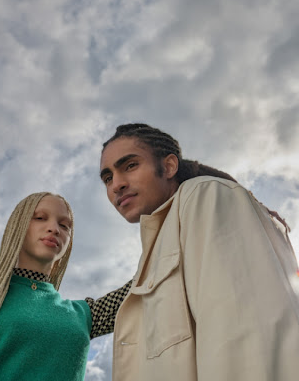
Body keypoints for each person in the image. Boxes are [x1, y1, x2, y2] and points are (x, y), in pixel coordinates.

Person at [100, 123, 299, 381]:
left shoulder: (203, 196)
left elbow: (245, 335)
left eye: (130, 166)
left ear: (169, 166)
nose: (117, 184)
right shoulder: (159, 247)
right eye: (107, 178)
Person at [0, 192, 131, 381]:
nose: (54, 229)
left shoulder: (85, 315)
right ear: (17, 225)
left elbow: (147, 284)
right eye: (40, 218)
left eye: (64, 225)